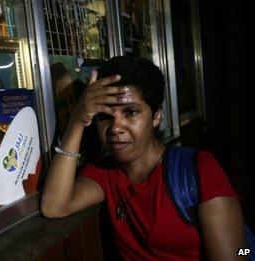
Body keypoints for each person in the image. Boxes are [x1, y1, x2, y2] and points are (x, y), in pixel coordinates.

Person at [41, 56, 246, 260]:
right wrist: (79, 119)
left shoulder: (198, 169)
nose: (116, 128)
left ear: (156, 116)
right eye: (104, 116)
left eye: (130, 112)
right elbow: (55, 206)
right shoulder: (105, 174)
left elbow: (235, 255)